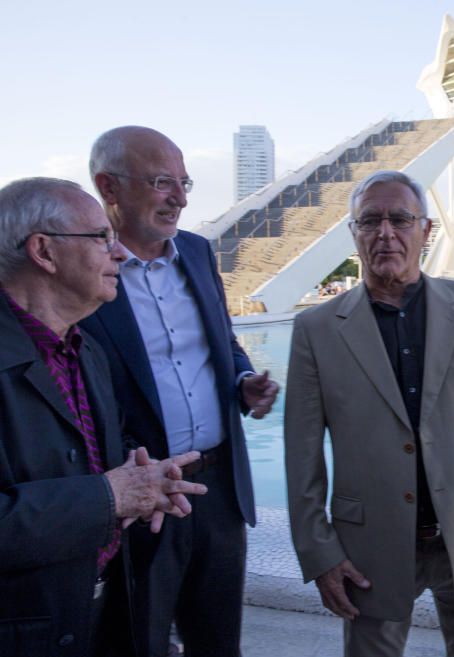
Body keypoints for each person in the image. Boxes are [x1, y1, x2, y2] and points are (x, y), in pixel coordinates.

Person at [284, 170, 454, 657]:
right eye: (370, 221)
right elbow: (302, 453)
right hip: (369, 545)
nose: (385, 233)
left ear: (426, 231)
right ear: (353, 234)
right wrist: (319, 553)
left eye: (400, 219)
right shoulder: (316, 329)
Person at [79, 126, 280, 657]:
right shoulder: (87, 267)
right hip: (140, 496)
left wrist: (243, 381)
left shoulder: (195, 251)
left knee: (218, 643)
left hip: (217, 490)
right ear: (109, 187)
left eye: (184, 182)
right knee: (133, 641)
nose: (181, 198)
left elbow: (223, 342)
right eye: (163, 181)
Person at [0, 177, 208, 657]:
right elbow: (99, 494)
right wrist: (109, 497)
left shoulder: (85, 350)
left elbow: (95, 474)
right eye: (101, 238)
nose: (118, 254)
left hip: (90, 617)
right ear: (43, 252)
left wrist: (145, 488)